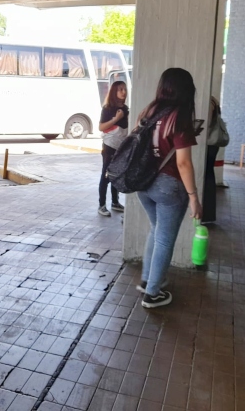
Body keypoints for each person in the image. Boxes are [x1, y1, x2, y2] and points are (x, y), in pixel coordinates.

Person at [135, 68, 202, 309]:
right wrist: (194, 196)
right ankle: (153, 294)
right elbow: (183, 163)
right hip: (169, 187)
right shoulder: (180, 118)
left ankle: (147, 280)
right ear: (186, 90)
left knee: (156, 230)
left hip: (144, 183)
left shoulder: (149, 111)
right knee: (165, 238)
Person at [97, 80, 129, 217]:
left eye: (124, 89)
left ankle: (115, 202)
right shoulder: (108, 108)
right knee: (106, 174)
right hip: (109, 146)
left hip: (121, 146)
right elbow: (101, 127)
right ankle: (102, 204)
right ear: (114, 92)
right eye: (120, 89)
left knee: (116, 174)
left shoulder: (126, 109)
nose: (123, 92)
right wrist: (116, 119)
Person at [202, 97, 221, 223]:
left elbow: (207, 123)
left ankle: (207, 214)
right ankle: (208, 214)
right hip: (212, 143)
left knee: (207, 175)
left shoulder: (209, 102)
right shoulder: (213, 101)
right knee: (209, 174)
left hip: (209, 143)